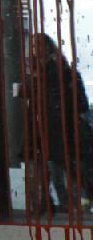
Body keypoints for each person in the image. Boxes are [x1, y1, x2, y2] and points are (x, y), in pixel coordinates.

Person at [26, 33, 93, 215]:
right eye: (33, 46)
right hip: (51, 129)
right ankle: (66, 202)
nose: (35, 50)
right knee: (58, 167)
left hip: (58, 128)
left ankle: (69, 202)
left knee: (61, 165)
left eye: (38, 45)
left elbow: (79, 103)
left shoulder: (55, 73)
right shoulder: (42, 74)